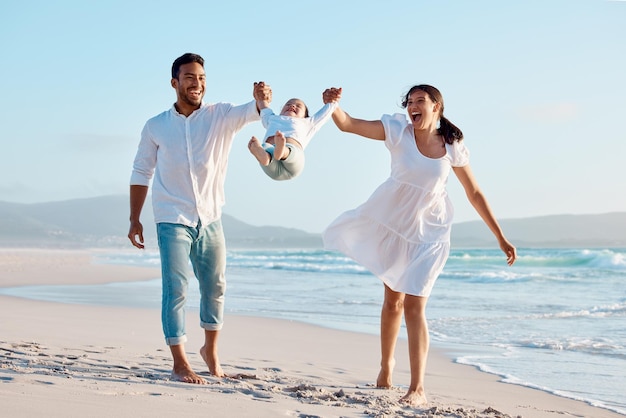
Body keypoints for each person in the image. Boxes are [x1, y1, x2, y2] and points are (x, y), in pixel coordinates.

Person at [321, 85, 517, 406]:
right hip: (395, 228)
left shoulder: (452, 144)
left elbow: (475, 193)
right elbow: (348, 124)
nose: (413, 106)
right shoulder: (398, 130)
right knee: (393, 302)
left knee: (415, 305)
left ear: (436, 106)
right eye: (409, 102)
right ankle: (386, 367)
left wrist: (500, 236)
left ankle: (417, 387)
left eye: (419, 101)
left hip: (432, 235)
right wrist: (333, 106)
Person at [127, 52, 271, 385]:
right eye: (190, 77)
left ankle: (210, 352)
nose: (197, 84)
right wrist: (135, 218)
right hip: (171, 216)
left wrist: (262, 100)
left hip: (210, 217)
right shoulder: (156, 126)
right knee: (176, 288)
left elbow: (254, 111)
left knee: (215, 286)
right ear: (175, 82)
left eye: (202, 77)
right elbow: (141, 170)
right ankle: (179, 363)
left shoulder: (220, 115)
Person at [247, 94, 338, 180]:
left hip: (294, 162)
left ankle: (282, 151)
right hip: (272, 164)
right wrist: (260, 98)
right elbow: (264, 109)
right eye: (288, 104)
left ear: (305, 116)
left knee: (289, 150)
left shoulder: (308, 123)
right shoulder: (272, 118)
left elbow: (324, 114)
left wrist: (332, 101)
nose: (292, 106)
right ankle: (265, 156)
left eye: (298, 106)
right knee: (265, 147)